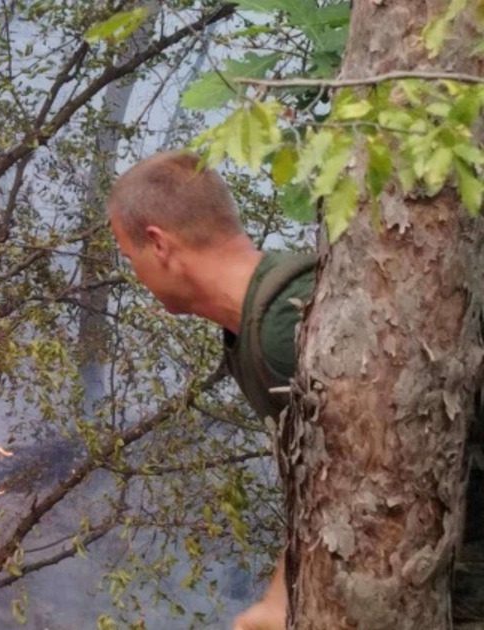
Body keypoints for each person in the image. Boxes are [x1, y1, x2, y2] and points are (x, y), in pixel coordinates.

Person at [105, 150, 483, 629]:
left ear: (158, 244)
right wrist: (277, 600)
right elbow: (329, 486)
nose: (135, 274)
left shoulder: (290, 326)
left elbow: (376, 489)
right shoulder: (258, 324)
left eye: (128, 253)